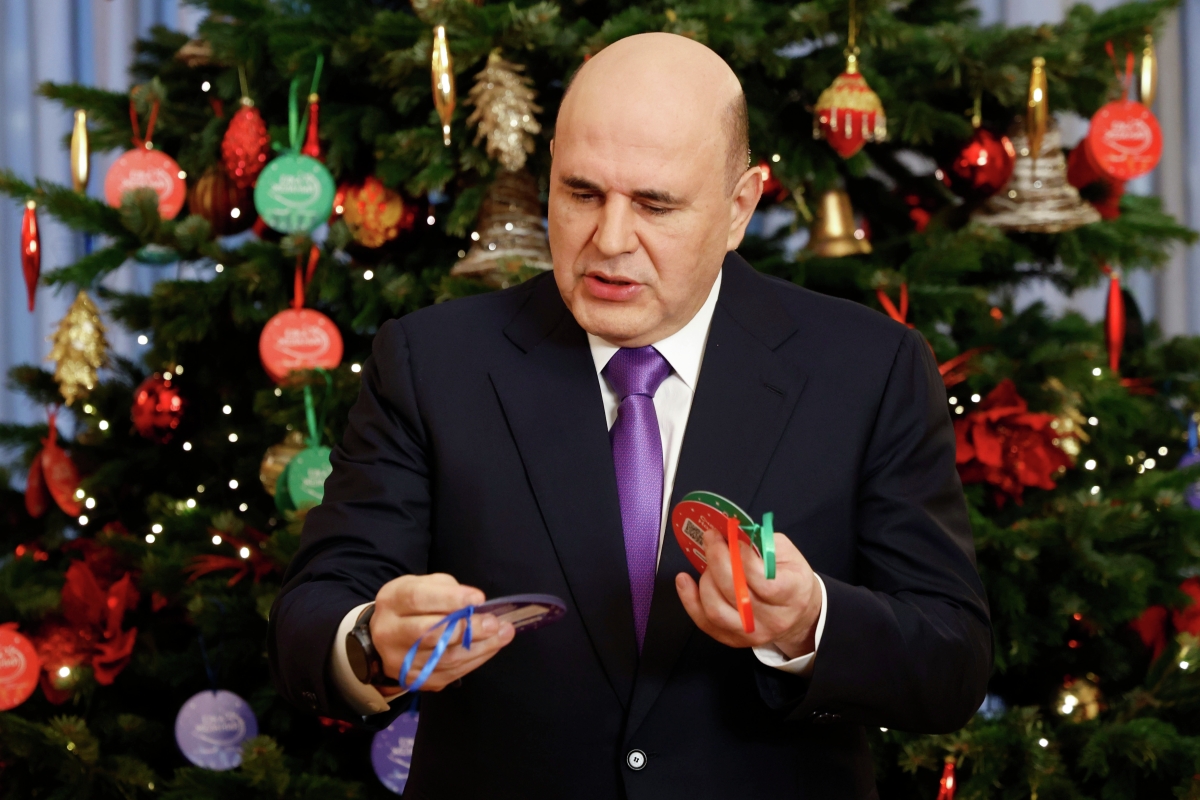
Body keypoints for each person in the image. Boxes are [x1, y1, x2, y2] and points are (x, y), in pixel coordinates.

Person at [269, 32, 992, 799]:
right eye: (582, 194)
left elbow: (952, 661)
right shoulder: (430, 362)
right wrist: (372, 642)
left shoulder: (870, 368)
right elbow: (309, 618)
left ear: (740, 206)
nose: (609, 241)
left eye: (655, 204)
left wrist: (810, 624)